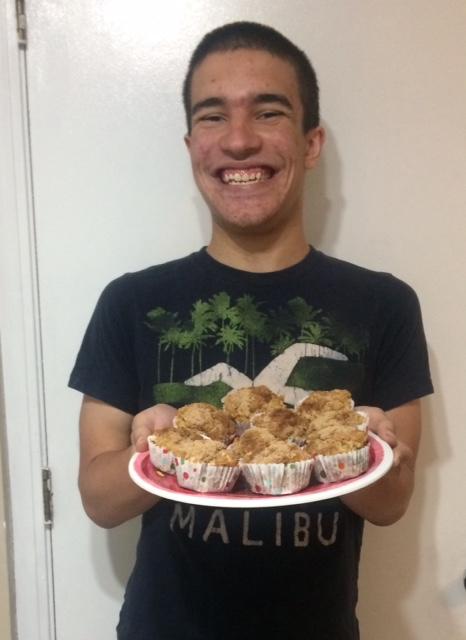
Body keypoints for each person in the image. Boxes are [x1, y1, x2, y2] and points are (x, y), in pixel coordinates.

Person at [69, 21, 433, 640]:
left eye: (267, 112)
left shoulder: (385, 303)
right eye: (212, 117)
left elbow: (391, 505)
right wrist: (152, 453)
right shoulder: (131, 302)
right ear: (190, 145)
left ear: (311, 142)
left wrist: (362, 448)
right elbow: (98, 502)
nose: (238, 141)